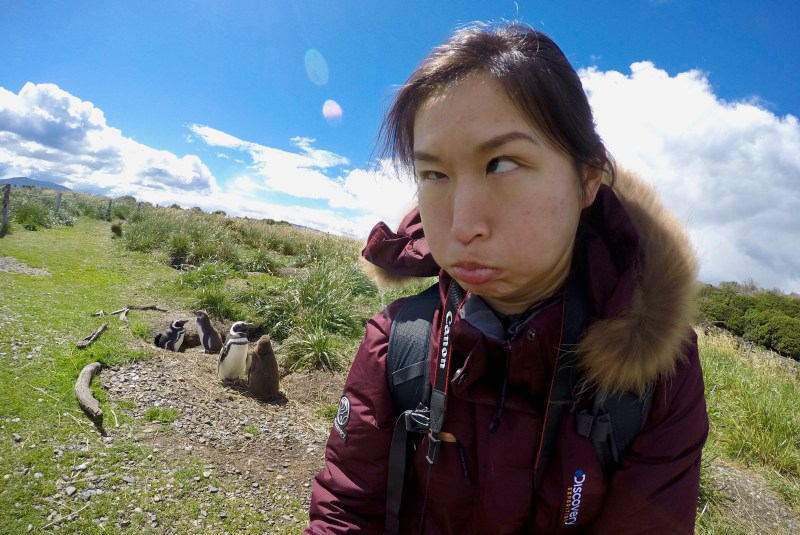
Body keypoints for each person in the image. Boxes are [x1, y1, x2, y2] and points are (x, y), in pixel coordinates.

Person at [305, 21, 708, 534]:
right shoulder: (397, 341)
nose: (462, 225)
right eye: (434, 174)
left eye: (501, 164)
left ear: (587, 179)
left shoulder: (660, 372)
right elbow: (346, 508)